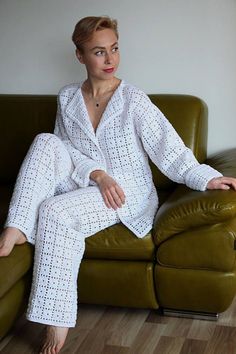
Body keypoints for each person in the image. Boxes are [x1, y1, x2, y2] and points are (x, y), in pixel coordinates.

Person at [0, 15, 236, 354]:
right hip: (86, 180)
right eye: (99, 52)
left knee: (54, 211)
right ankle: (17, 225)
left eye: (114, 49)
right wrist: (97, 174)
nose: (110, 59)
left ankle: (56, 322)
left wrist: (208, 176)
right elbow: (65, 149)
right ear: (80, 56)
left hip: (127, 192)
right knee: (45, 141)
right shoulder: (67, 97)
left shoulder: (133, 100)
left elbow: (169, 150)